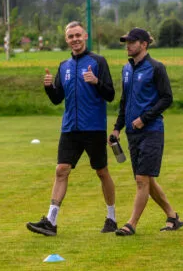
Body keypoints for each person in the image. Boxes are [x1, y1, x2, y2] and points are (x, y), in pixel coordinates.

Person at [26, 21, 118, 236]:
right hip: (70, 129)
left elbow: (111, 95)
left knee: (102, 172)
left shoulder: (98, 62)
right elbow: (58, 99)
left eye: (78, 35)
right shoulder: (64, 66)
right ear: (66, 40)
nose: (75, 39)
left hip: (93, 128)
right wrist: (49, 87)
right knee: (61, 170)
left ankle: (111, 217)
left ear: (85, 36)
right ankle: (51, 221)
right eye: (70, 36)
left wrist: (96, 81)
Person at [110, 27, 183, 236]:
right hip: (133, 134)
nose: (128, 45)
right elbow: (124, 102)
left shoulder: (156, 68)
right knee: (147, 180)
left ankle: (131, 224)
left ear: (144, 44)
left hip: (152, 131)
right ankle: (172, 216)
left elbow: (167, 98)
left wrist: (144, 118)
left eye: (132, 42)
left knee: (142, 179)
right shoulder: (126, 69)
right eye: (126, 42)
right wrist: (117, 129)